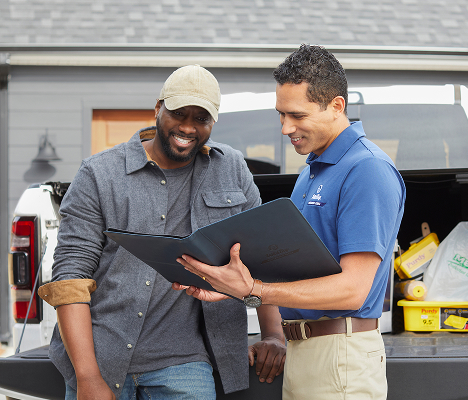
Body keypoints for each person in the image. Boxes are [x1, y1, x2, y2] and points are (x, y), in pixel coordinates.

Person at [37, 65, 286, 400]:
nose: (187, 126)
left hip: (184, 362)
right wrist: (88, 377)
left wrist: (273, 333)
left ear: (213, 123)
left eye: (201, 118)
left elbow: (259, 256)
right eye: (178, 113)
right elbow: (70, 279)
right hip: (101, 355)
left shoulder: (231, 169)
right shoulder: (99, 174)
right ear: (158, 108)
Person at [175, 45, 406, 399]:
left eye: (297, 115)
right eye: (281, 115)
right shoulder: (311, 172)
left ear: (336, 106)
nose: (286, 128)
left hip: (340, 356)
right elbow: (292, 272)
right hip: (303, 352)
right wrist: (230, 286)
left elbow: (353, 289)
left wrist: (255, 290)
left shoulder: (367, 169)